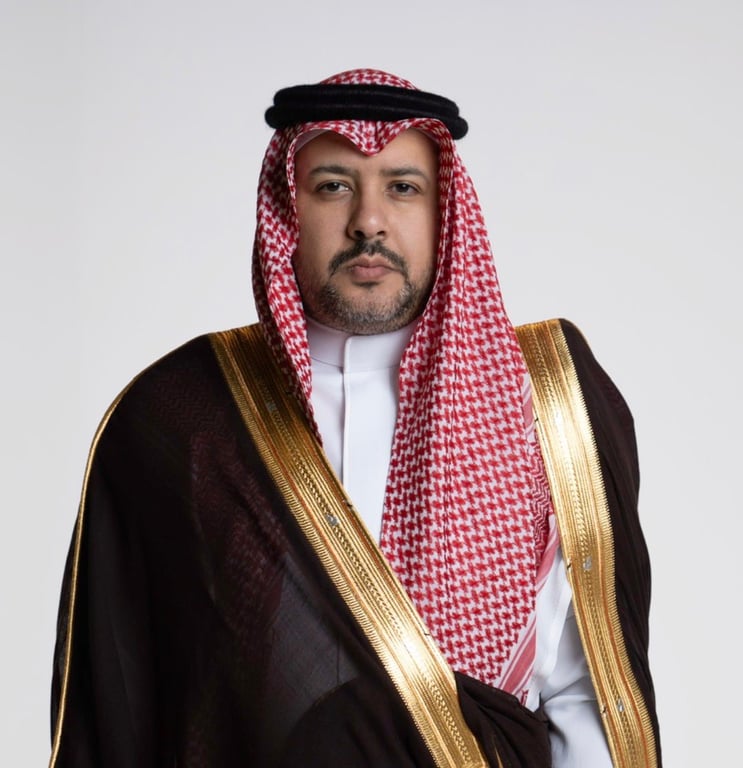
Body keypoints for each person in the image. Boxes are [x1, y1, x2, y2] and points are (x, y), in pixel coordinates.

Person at [49, 68, 662, 767]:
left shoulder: (544, 399)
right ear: (287, 210)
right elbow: (125, 698)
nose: (368, 220)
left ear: (444, 212)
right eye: (334, 186)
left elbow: (584, 695)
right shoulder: (184, 417)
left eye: (403, 187)